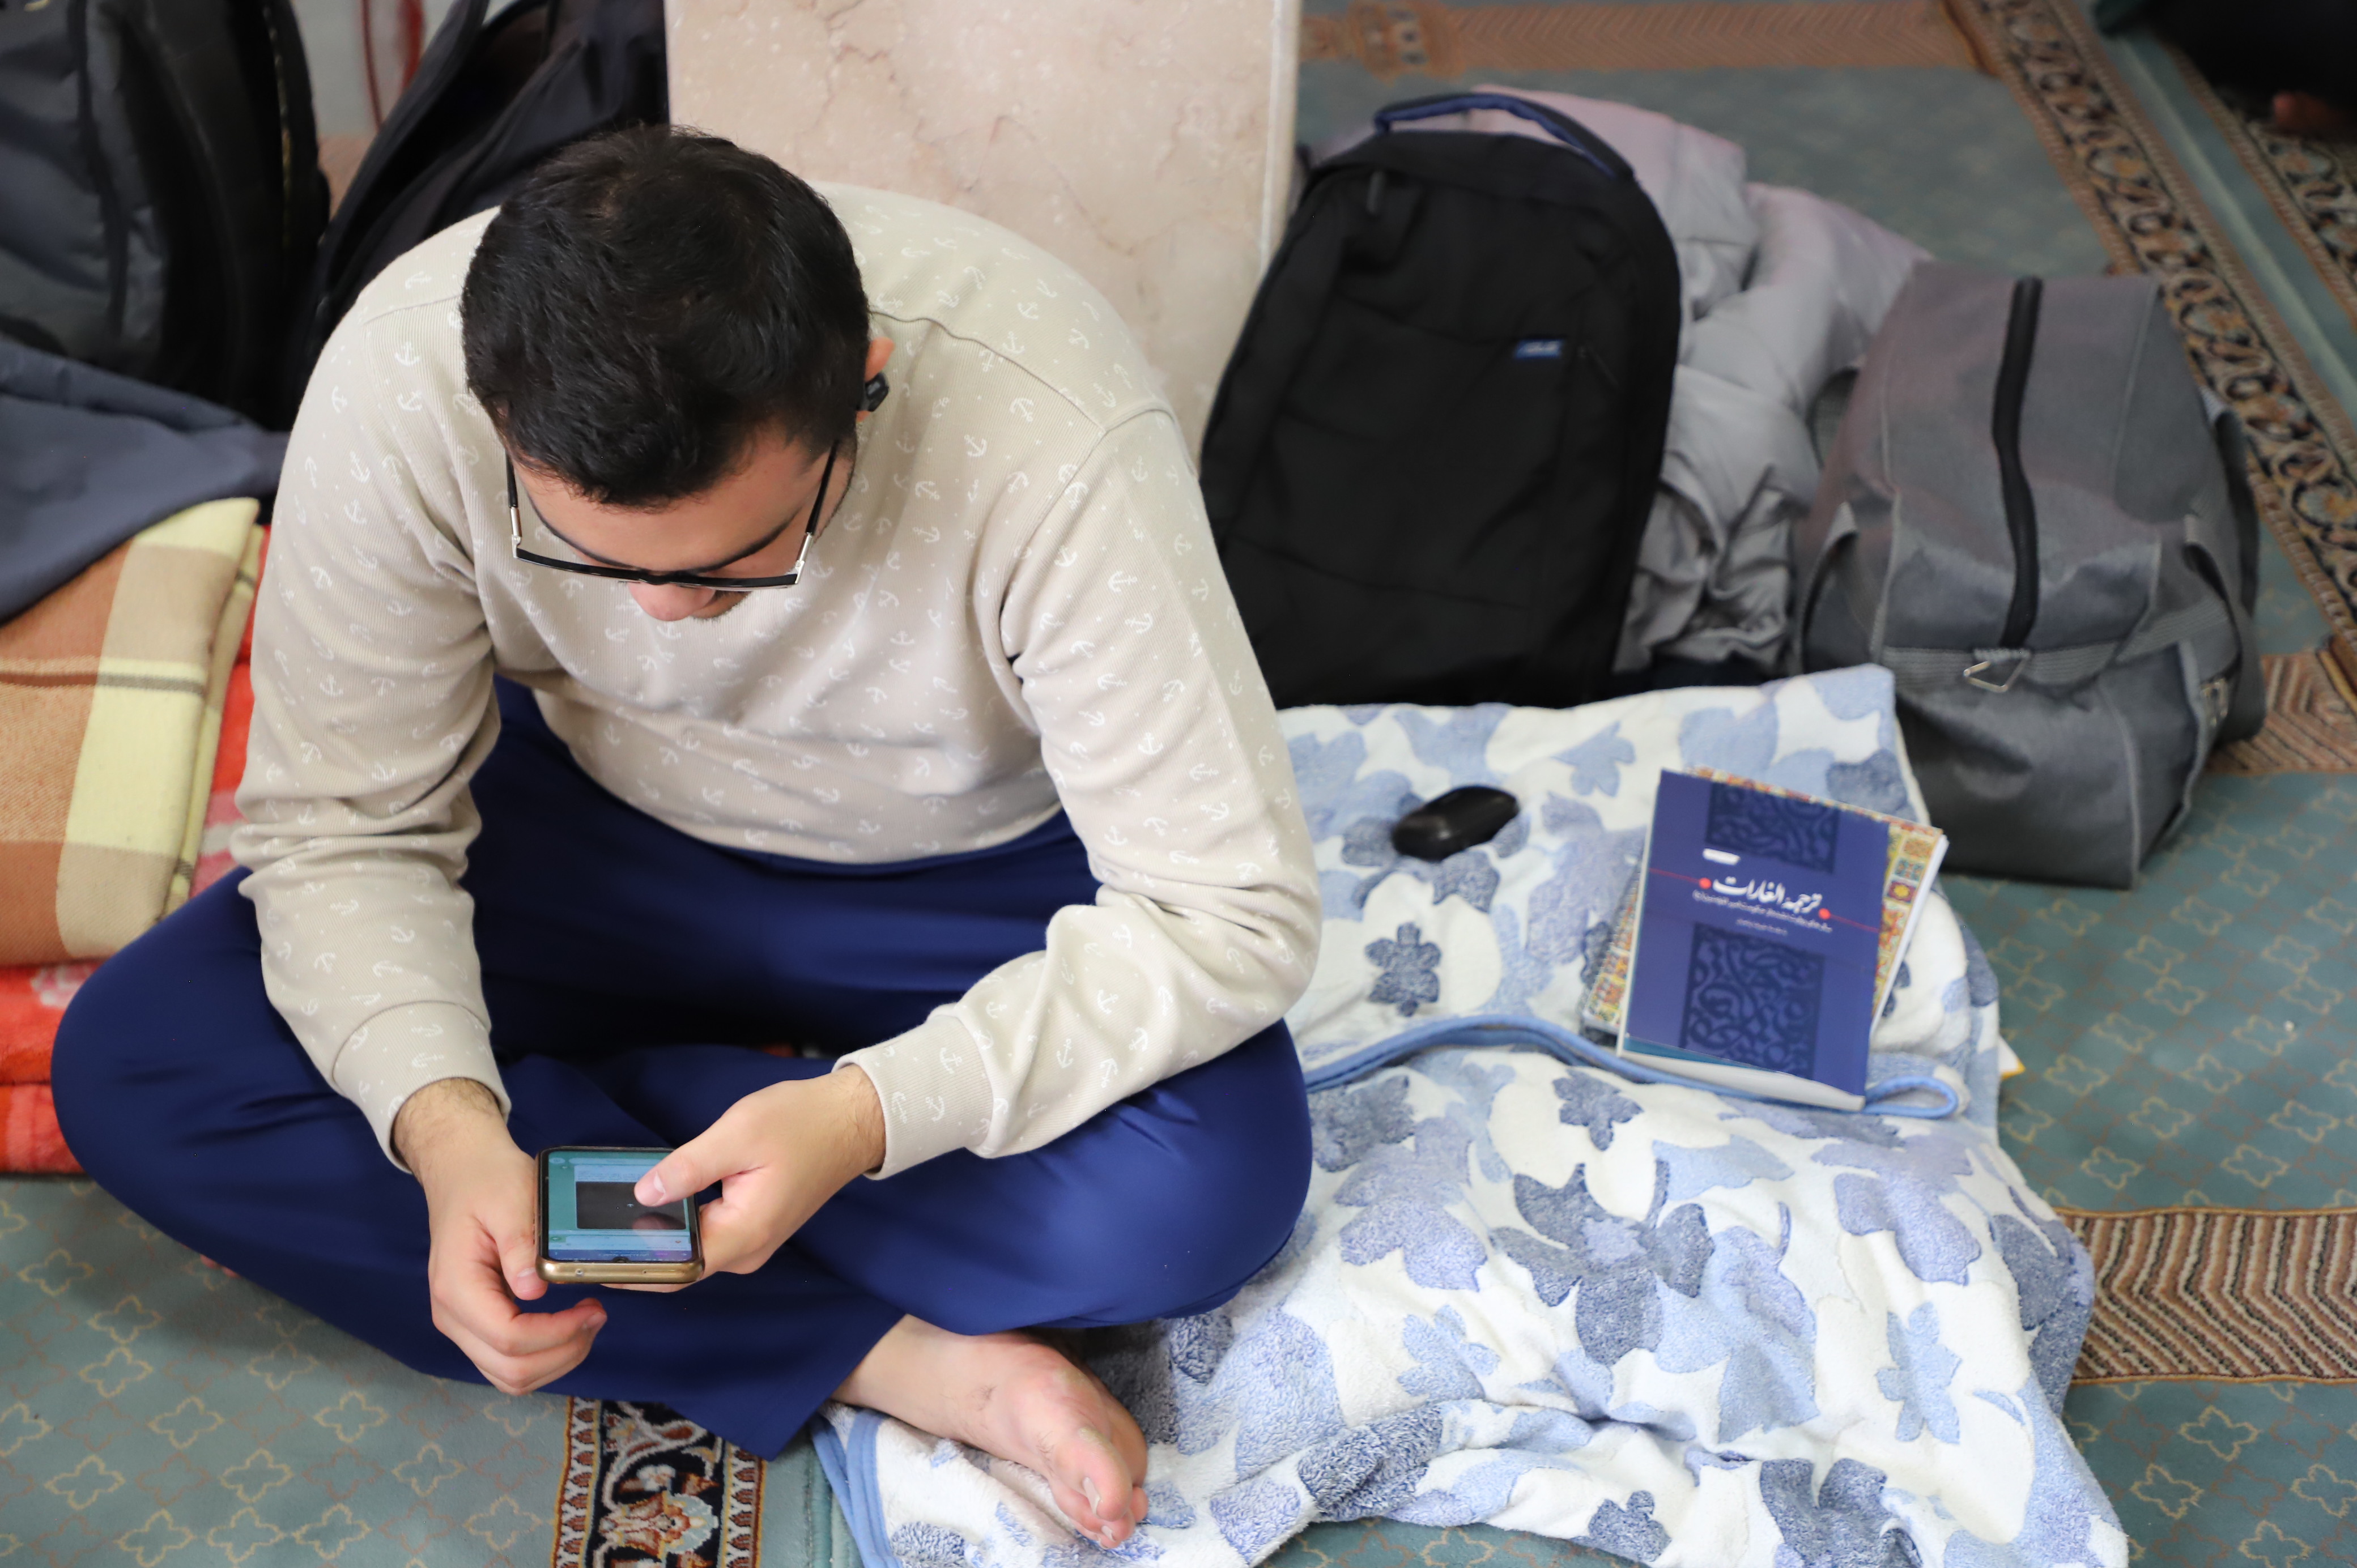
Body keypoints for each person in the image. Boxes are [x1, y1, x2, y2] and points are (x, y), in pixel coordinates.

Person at [52, 127, 1321, 1550]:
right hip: (584, 833)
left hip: (965, 877)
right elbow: (346, 825)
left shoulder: (1051, 429)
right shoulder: (403, 380)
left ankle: (627, 1104)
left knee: (1201, 1201)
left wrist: (865, 1113)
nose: (662, 614)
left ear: (864, 387)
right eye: (592, 556)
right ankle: (884, 1356)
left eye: (734, 558)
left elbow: (1228, 909)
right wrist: (447, 1127)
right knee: (141, 1062)